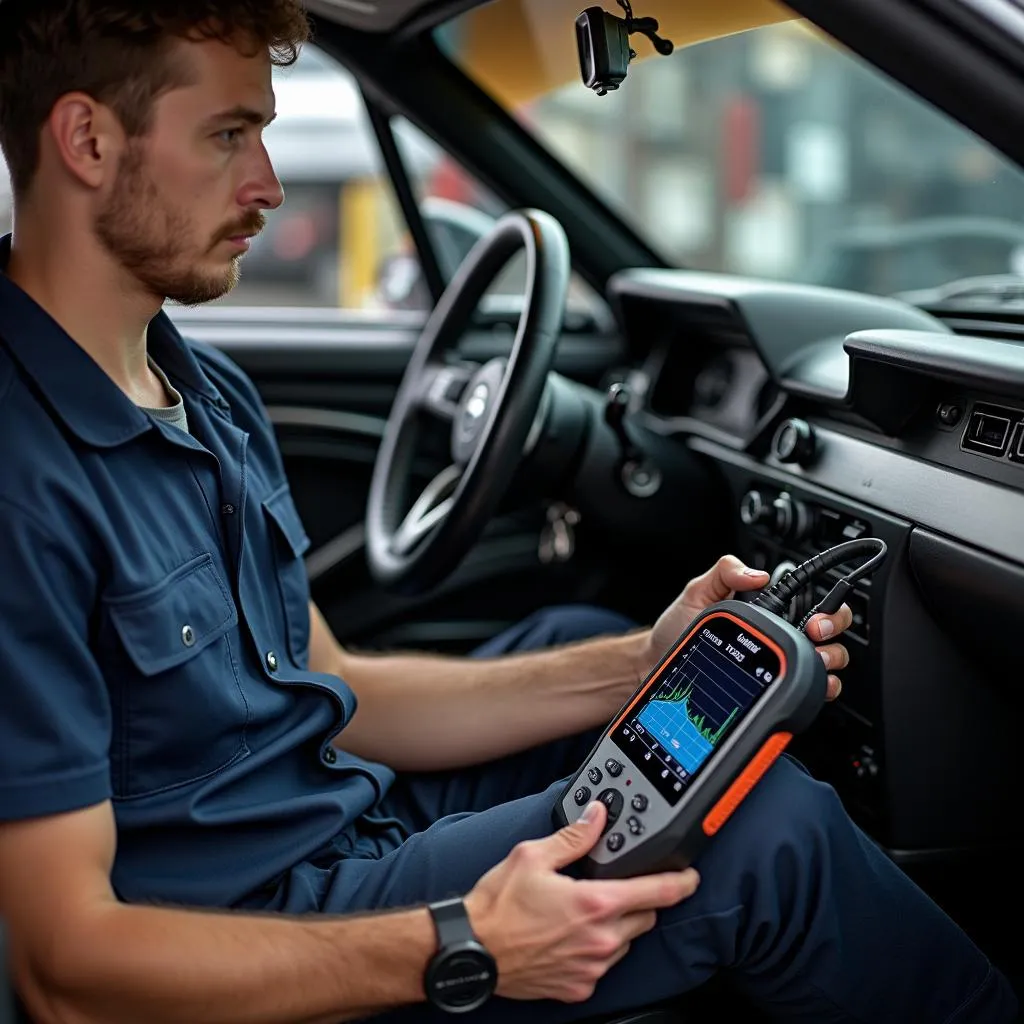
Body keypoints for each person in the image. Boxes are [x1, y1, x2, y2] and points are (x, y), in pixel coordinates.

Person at [0, 3, 1015, 1022]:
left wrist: (648, 656)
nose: (266, 183)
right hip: (255, 927)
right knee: (764, 836)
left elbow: (335, 683)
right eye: (227, 135)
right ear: (87, 139)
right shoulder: (22, 481)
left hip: (342, 817)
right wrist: (465, 942)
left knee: (597, 655)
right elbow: (66, 966)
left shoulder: (203, 387)